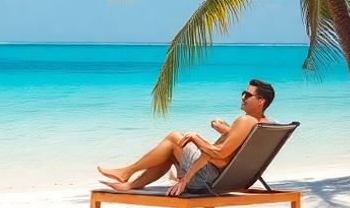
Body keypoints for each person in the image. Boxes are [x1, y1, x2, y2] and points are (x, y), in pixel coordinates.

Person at [97, 79, 276, 196]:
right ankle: (129, 183)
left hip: (208, 180)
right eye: (243, 93)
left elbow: (220, 153)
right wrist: (225, 130)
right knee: (170, 150)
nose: (242, 97)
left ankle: (126, 173)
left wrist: (196, 138)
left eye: (248, 95)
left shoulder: (246, 120)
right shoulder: (267, 125)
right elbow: (238, 147)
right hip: (231, 180)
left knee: (174, 138)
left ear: (261, 101)